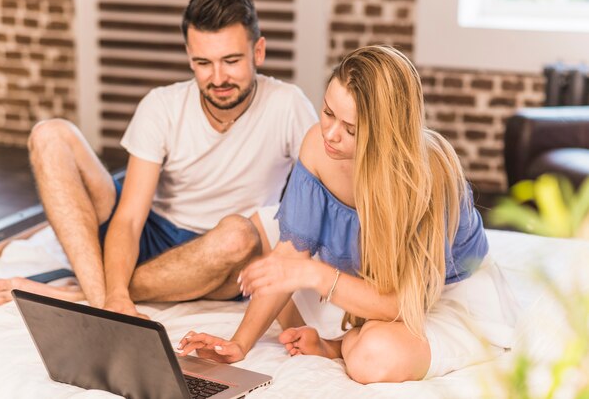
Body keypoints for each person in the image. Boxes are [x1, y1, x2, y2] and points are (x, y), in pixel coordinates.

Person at [178, 45, 518, 383]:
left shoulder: (429, 175)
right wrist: (238, 344)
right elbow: (291, 254)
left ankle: (338, 345)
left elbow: (400, 305)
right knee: (270, 257)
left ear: (386, 134)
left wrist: (313, 275)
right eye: (327, 112)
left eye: (351, 129)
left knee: (373, 359)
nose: (330, 134)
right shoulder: (319, 145)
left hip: (440, 298)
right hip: (361, 278)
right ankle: (341, 337)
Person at [0, 0, 317, 318]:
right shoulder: (162, 105)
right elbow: (128, 219)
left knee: (238, 234)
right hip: (151, 235)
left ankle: (79, 293)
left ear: (258, 52)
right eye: (203, 63)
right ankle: (104, 301)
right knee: (50, 134)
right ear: (189, 57)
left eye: (231, 61)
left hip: (220, 255)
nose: (218, 77)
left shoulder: (288, 105)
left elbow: (323, 194)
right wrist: (114, 298)